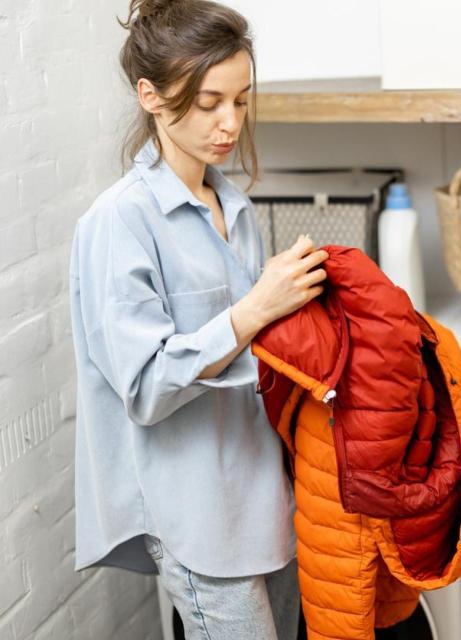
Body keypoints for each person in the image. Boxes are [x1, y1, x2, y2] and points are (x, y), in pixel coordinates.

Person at [68, 1, 328, 637]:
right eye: (210, 102)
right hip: (198, 518)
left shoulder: (232, 205)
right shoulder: (119, 222)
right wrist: (254, 309)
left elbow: (252, 356)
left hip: (269, 497)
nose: (229, 123)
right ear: (150, 96)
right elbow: (147, 389)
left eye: (240, 101)